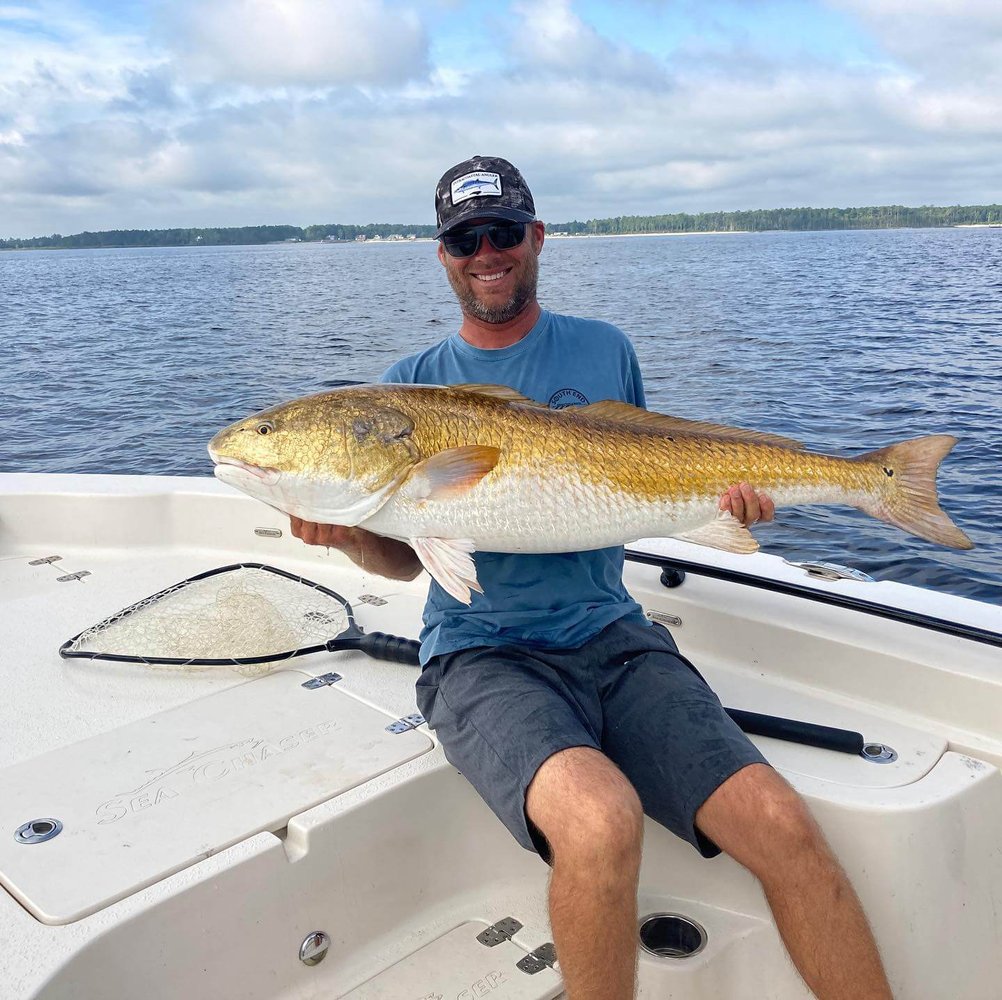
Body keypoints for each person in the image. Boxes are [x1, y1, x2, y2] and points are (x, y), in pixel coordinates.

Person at [290, 156, 894, 1000]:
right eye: (467, 238)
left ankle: (879, 479)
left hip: (614, 637)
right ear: (443, 254)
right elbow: (403, 553)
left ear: (536, 238)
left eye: (504, 232)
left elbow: (659, 460)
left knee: (782, 823)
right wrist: (350, 539)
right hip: (482, 654)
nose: (487, 252)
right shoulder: (407, 391)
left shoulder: (604, 348)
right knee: (602, 819)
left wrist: (727, 507)